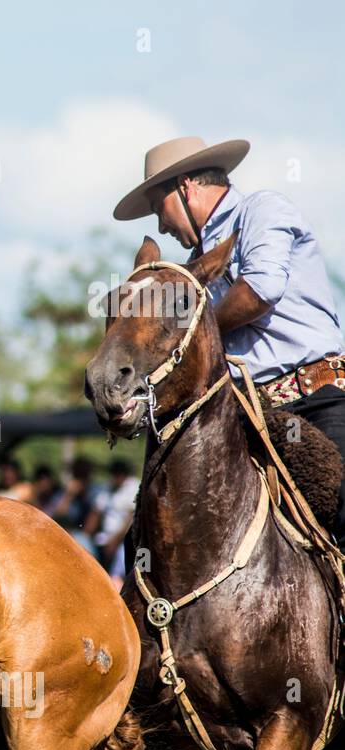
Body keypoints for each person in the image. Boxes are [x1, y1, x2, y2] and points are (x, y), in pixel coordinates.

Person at [114, 136, 344, 534]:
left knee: (342, 511)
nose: (161, 225)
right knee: (151, 532)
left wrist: (198, 333)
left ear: (186, 186)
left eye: (159, 209)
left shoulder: (261, 209)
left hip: (316, 402)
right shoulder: (189, 269)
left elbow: (260, 291)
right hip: (242, 419)